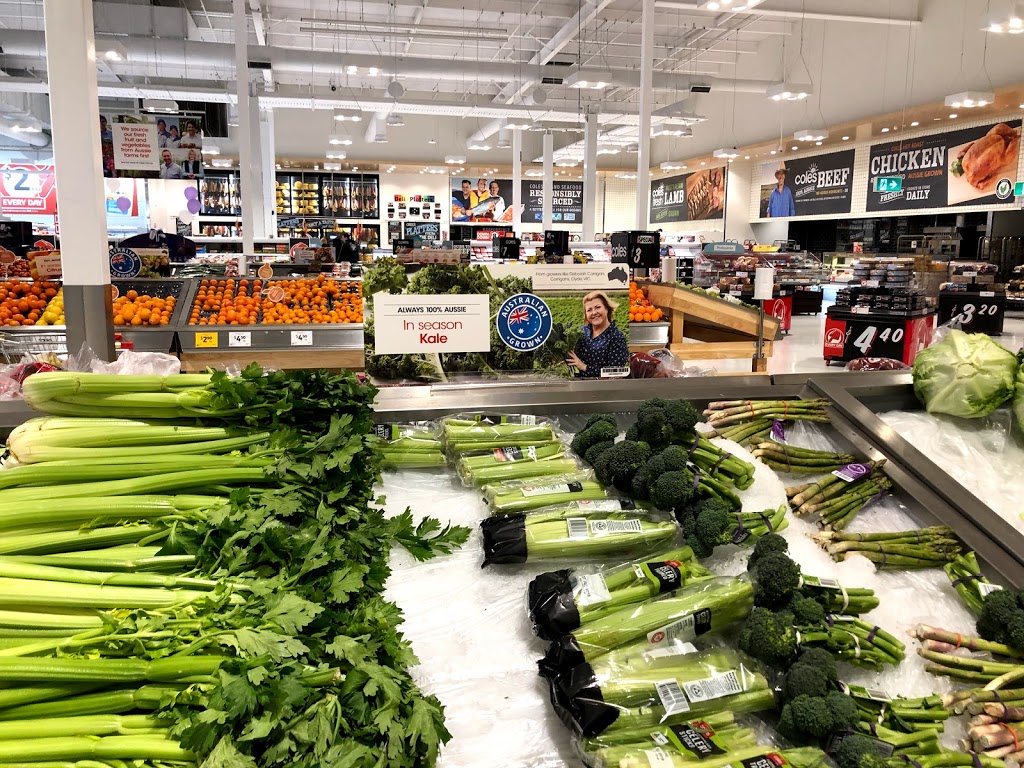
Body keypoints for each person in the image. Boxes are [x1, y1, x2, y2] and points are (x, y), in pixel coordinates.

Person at [567, 291, 629, 378]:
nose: (594, 312)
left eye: (598, 307)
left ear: (607, 309)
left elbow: (615, 373)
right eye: (589, 310)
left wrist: (584, 367)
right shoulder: (582, 331)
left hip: (602, 388)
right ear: (586, 314)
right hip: (578, 384)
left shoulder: (616, 336)